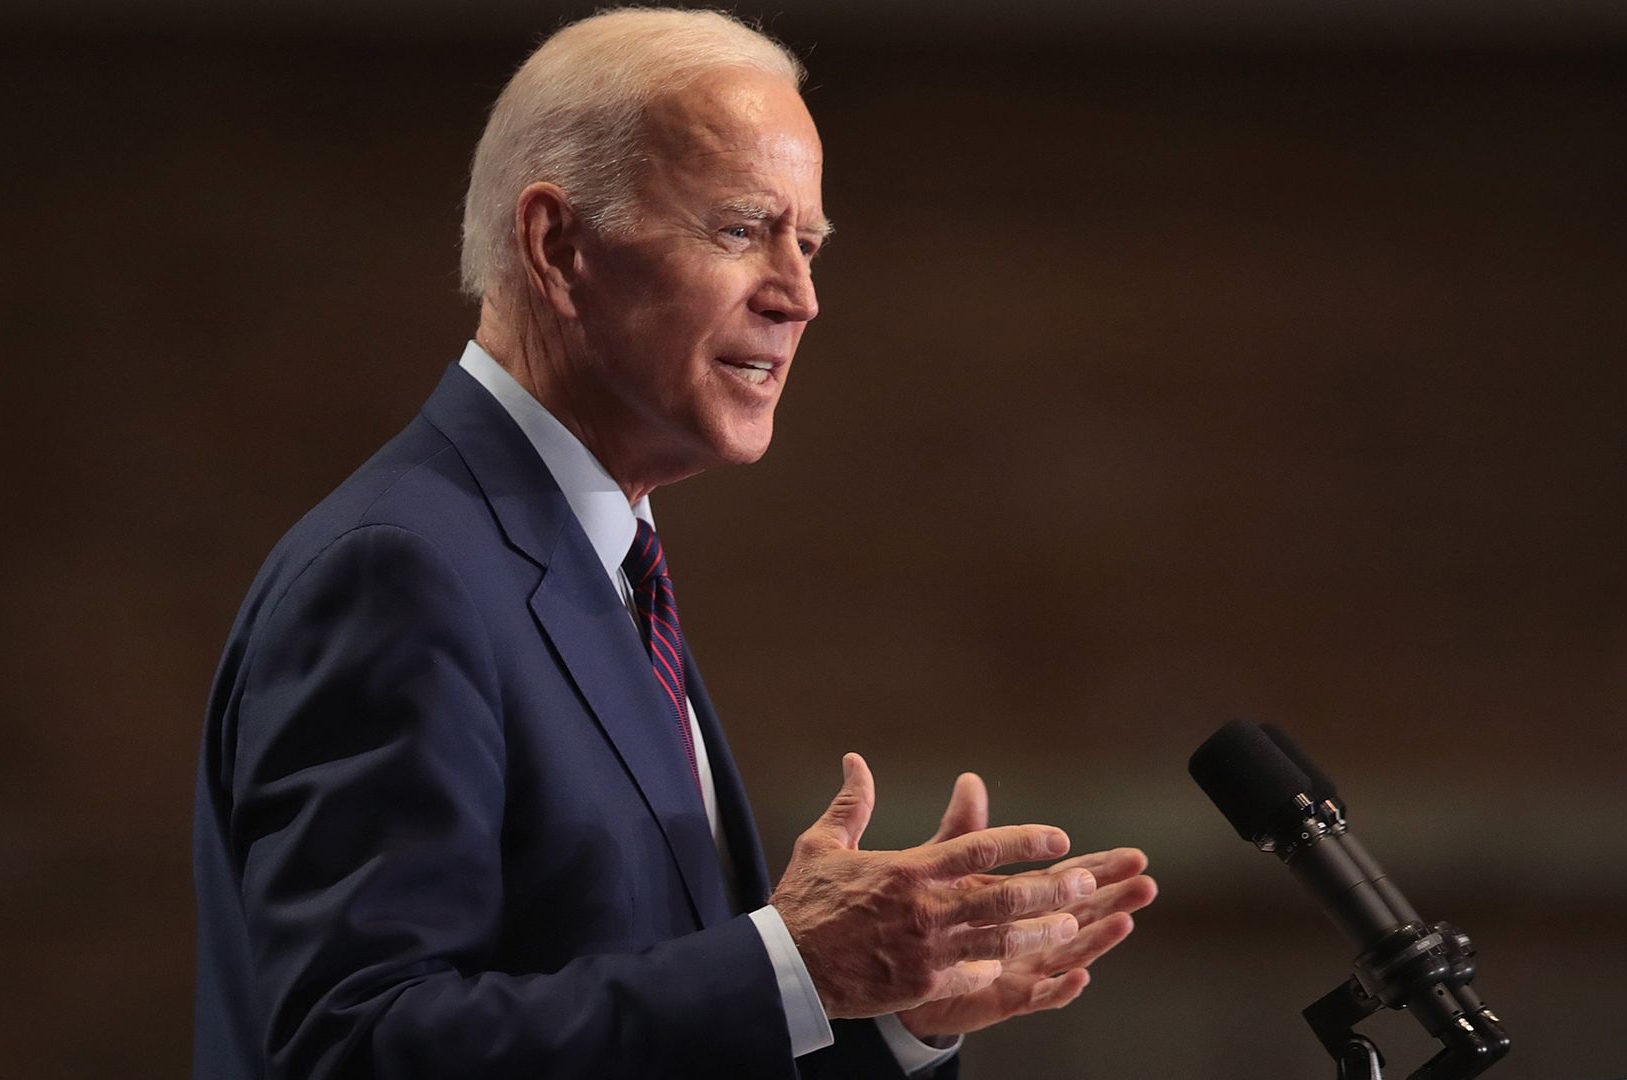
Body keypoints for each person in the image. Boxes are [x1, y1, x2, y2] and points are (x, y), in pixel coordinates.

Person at [191, 9, 1156, 1078]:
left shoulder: (606, 569)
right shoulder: (398, 573)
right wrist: (792, 965)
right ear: (560, 248)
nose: (800, 296)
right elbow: (355, 1050)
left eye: (810, 242)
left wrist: (887, 1014)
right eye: (743, 230)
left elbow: (666, 1023)